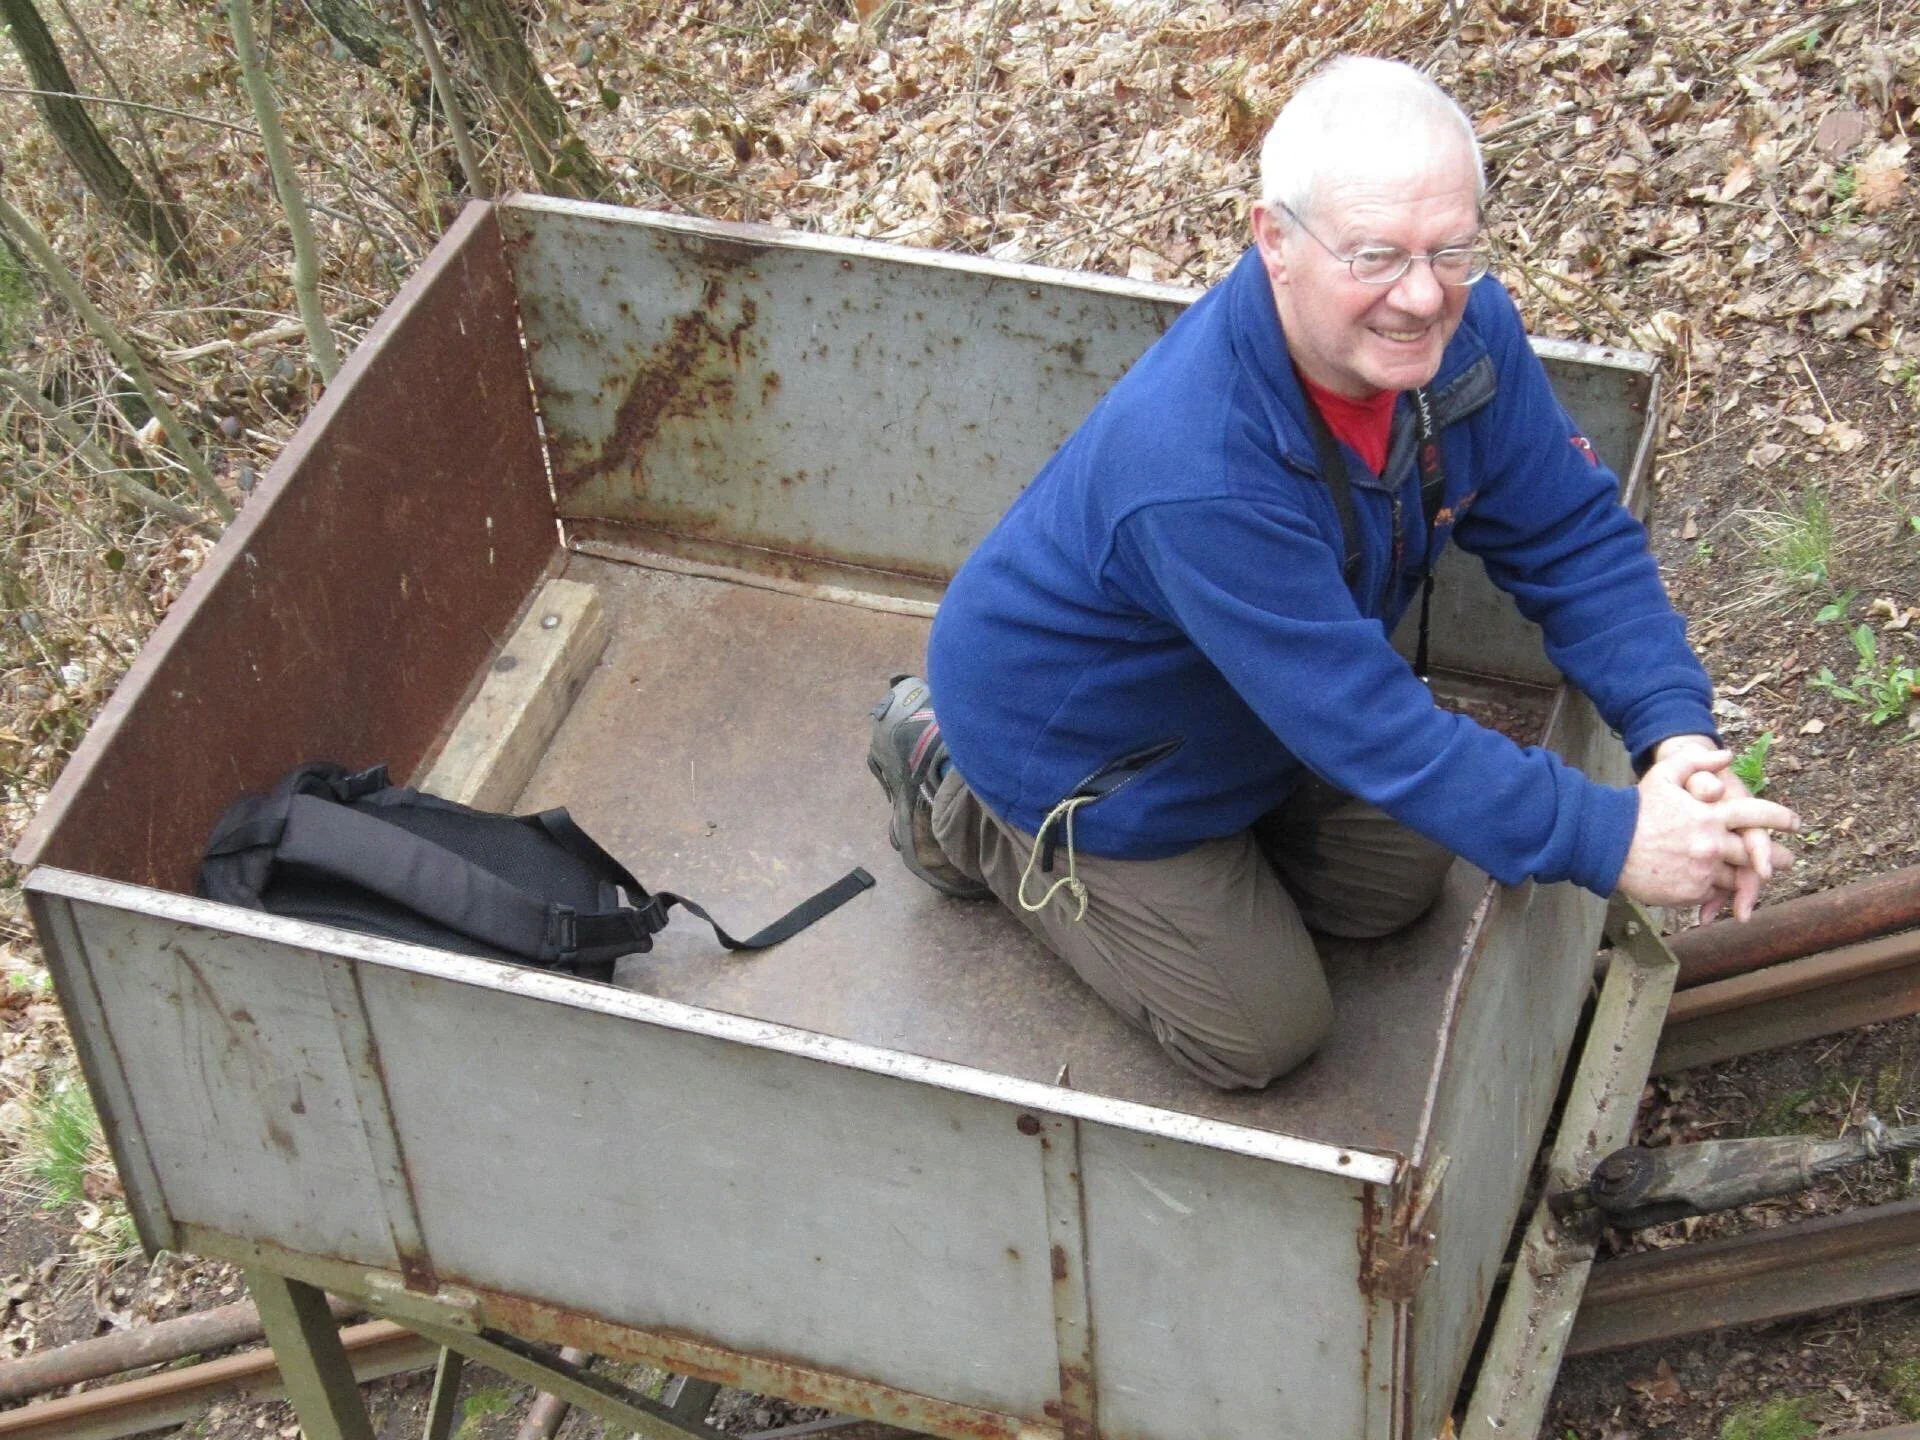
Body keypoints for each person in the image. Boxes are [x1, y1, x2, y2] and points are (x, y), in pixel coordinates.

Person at [866, 56, 1799, 1091]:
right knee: (1261, 1036)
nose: (1419, 296)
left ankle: (1226, 856)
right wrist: (1613, 834)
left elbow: (1573, 538)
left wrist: (1680, 749)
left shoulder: (1464, 337)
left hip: (1254, 701)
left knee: (1398, 883)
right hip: (1089, 755)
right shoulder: (1197, 466)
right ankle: (947, 789)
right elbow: (1362, 722)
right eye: (1374, 255)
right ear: (1275, 241)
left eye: (1451, 250)